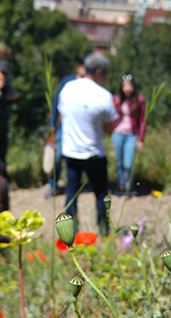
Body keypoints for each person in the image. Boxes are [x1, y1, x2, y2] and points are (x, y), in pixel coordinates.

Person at [58, 52, 118, 236]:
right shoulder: (104, 95)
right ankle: (103, 230)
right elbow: (109, 129)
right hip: (94, 154)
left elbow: (61, 118)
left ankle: (70, 232)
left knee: (71, 194)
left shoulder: (68, 88)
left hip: (71, 153)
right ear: (99, 72)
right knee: (100, 194)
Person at [45, 59, 86, 199]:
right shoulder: (67, 81)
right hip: (63, 127)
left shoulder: (89, 84)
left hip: (81, 127)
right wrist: (52, 125)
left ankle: (75, 185)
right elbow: (56, 102)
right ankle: (53, 185)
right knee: (57, 156)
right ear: (78, 67)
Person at [111, 74, 146, 197]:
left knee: (128, 163)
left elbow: (142, 120)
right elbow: (111, 115)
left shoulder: (139, 100)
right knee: (119, 162)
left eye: (129, 85)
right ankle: (121, 186)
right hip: (117, 134)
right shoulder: (116, 100)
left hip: (131, 135)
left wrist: (141, 139)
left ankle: (128, 186)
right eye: (125, 86)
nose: (127, 88)